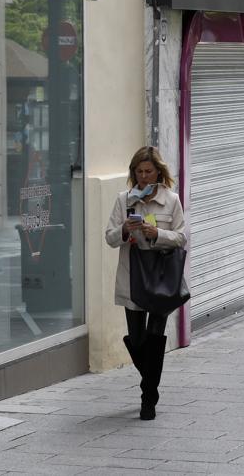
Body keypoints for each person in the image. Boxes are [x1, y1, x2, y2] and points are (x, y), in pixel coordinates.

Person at [104, 146, 188, 420]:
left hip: (161, 279)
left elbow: (181, 237)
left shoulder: (171, 201)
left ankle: (148, 398)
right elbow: (109, 237)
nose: (143, 177)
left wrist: (158, 233)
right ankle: (150, 382)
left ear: (158, 173)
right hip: (133, 277)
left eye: (148, 171)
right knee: (138, 340)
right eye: (138, 172)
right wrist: (125, 229)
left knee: (154, 338)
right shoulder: (124, 200)